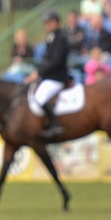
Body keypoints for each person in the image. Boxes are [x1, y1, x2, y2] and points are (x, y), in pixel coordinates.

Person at [25, 10, 70, 138]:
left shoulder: (61, 38)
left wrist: (39, 72)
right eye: (46, 23)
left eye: (50, 22)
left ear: (57, 22)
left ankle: (56, 124)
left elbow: (57, 61)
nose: (47, 25)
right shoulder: (52, 37)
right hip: (49, 76)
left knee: (40, 98)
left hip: (57, 77)